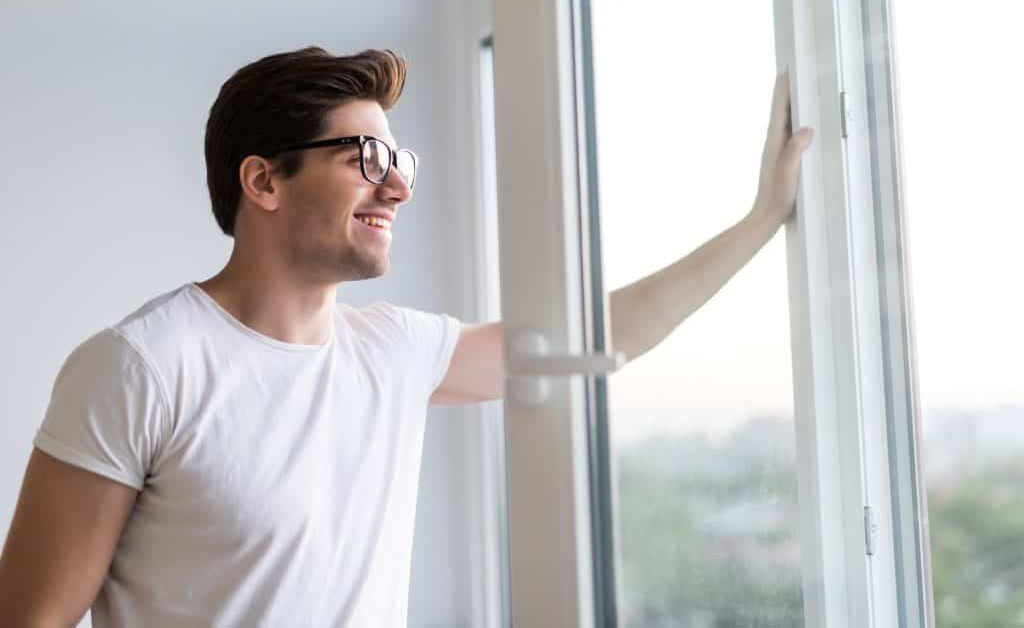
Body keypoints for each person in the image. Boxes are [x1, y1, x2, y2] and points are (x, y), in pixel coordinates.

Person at [0, 46, 813, 627]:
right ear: (263, 180)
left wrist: (760, 222)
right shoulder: (140, 365)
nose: (396, 184)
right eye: (366, 155)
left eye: (403, 161)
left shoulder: (392, 350)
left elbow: (597, 338)